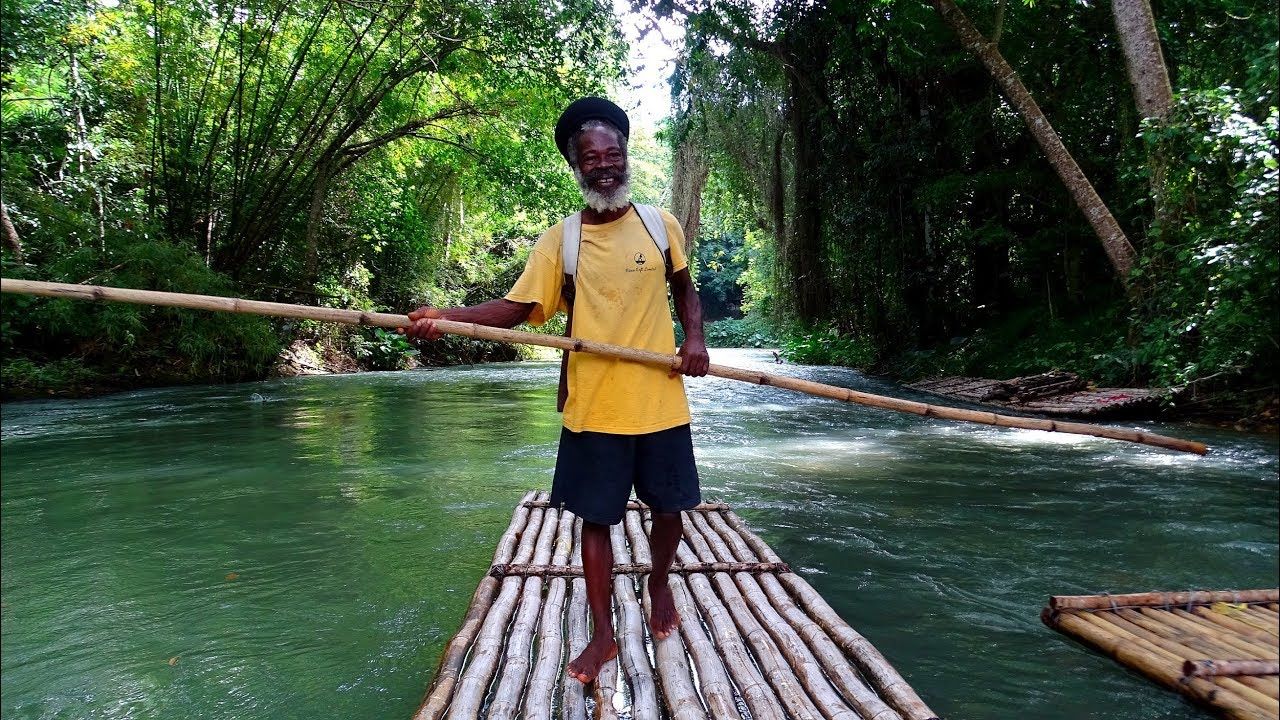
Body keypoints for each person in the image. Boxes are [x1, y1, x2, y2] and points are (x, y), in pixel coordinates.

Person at [402, 97, 709, 685]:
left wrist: (694, 338)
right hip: (594, 407)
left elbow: (685, 290)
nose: (605, 166)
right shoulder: (560, 242)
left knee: (671, 509)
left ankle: (659, 583)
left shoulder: (659, 224)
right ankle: (602, 633)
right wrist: (446, 316)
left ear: (625, 156)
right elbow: (516, 309)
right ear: (576, 166)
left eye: (613, 154)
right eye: (591, 158)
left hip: (661, 400)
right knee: (595, 520)